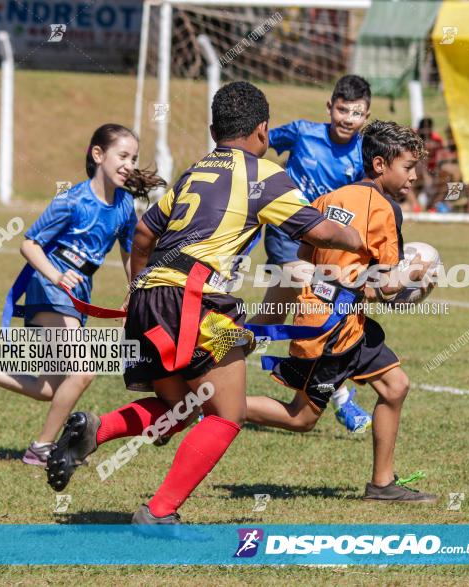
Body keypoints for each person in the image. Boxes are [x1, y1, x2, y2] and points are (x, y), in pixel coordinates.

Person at [45, 81, 362, 524]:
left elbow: (143, 234)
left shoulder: (195, 171)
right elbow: (323, 232)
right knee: (227, 414)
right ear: (263, 132)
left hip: (151, 295)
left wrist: (140, 286)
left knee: (181, 407)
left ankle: (98, 430)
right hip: (192, 299)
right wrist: (361, 239)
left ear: (215, 130)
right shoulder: (263, 174)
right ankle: (159, 512)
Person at [0, 124, 165, 466]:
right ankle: (41, 449)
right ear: (98, 155)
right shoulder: (72, 200)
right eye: (122, 156)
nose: (129, 164)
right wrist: (56, 274)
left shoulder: (125, 206)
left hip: (76, 295)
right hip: (49, 288)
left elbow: (131, 257)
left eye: (134, 158)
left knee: (51, 387)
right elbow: (29, 243)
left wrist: (134, 291)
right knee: (83, 369)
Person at [245, 120, 437, 503]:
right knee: (301, 418)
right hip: (332, 329)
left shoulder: (329, 199)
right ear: (380, 165)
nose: (415, 176)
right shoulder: (386, 210)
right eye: (408, 166)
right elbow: (386, 287)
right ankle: (215, 399)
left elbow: (306, 258)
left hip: (338, 318)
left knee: (395, 385)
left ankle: (382, 485)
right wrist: (417, 275)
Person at [252, 74, 374, 432]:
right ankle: (342, 399)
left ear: (366, 116)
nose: (348, 119)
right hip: (287, 234)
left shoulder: (362, 153)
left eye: (357, 113)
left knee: (265, 320)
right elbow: (258, 145)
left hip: (326, 244)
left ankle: (205, 376)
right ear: (329, 107)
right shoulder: (303, 132)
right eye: (342, 110)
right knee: (318, 304)